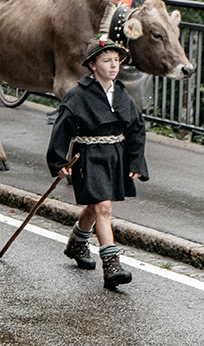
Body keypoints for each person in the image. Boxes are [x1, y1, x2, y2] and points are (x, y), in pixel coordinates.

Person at [46, 37, 148, 289]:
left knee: (95, 205)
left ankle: (77, 243)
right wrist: (59, 161)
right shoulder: (77, 96)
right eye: (107, 60)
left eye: (116, 60)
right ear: (92, 65)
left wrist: (136, 161)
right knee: (103, 206)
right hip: (88, 156)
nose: (114, 66)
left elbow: (136, 128)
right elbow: (62, 129)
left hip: (115, 155)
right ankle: (111, 264)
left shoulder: (121, 93)